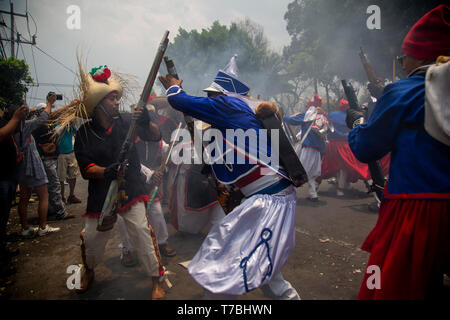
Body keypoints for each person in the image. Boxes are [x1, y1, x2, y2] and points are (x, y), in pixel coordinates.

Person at [159, 56, 300, 300]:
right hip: (271, 199)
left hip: (267, 201)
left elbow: (178, 100)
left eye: (214, 95)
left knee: (223, 261)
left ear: (224, 95)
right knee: (266, 274)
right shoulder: (241, 110)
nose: (211, 99)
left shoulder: (228, 106)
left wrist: (173, 85)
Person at [346, 4, 450, 299]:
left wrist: (359, 122)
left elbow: (366, 147)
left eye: (404, 55)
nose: (402, 61)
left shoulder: (402, 92)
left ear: (419, 56)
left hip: (417, 211)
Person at [72, 64, 165, 299]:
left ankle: (156, 280)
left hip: (131, 188)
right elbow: (86, 169)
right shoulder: (84, 133)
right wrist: (107, 171)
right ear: (99, 103)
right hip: (101, 192)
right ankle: (89, 271)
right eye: (112, 99)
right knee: (92, 239)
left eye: (116, 98)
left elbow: (154, 136)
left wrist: (145, 121)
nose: (117, 102)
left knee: (142, 234)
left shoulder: (126, 121)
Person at [14, 100, 60, 237]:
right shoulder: (25, 126)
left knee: (24, 197)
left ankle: (25, 228)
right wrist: (50, 103)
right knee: (44, 196)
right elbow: (42, 119)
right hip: (32, 165)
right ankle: (43, 226)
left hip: (21, 167)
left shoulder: (12, 128)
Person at [32, 92, 75, 220]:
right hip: (47, 160)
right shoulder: (39, 124)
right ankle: (60, 212)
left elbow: (56, 115)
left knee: (51, 187)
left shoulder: (45, 124)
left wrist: (69, 108)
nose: (50, 113)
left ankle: (51, 210)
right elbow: (54, 115)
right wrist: (69, 106)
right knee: (54, 186)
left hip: (50, 160)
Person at [284, 94, 331, 202]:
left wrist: (281, 115)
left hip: (309, 146)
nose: (305, 107)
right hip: (318, 149)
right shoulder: (322, 115)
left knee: (300, 170)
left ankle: (287, 191)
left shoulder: (309, 114)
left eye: (307, 105)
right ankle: (313, 194)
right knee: (311, 172)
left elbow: (292, 121)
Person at [0, 104, 28, 276]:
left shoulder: (5, 122)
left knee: (3, 219)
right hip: (2, 179)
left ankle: (3, 250)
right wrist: (16, 118)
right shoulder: (7, 123)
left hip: (8, 177)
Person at [57, 121, 82, 204]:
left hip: (71, 152)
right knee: (61, 177)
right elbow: (57, 132)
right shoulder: (57, 126)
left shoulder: (71, 126)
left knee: (73, 175)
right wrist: (65, 124)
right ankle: (62, 197)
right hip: (61, 154)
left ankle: (71, 195)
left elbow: (76, 133)